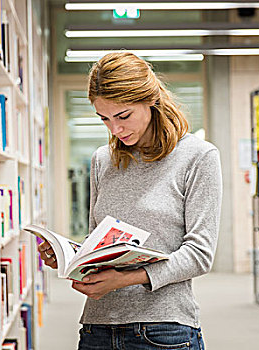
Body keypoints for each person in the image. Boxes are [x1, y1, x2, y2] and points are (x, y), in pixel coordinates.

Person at [38, 51, 222, 349]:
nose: (115, 129)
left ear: (151, 101)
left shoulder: (198, 157)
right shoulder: (102, 160)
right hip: (97, 327)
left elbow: (199, 254)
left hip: (163, 330)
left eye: (123, 116)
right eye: (105, 119)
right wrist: (69, 256)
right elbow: (99, 240)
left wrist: (126, 279)